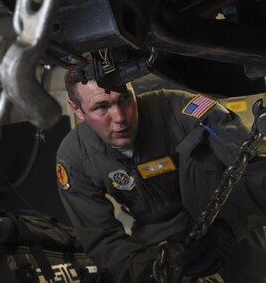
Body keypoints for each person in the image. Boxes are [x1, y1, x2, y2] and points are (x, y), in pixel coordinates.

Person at [55, 68, 266, 283]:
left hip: (230, 234)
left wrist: (229, 225)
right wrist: (148, 272)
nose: (120, 117)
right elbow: (102, 240)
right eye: (101, 107)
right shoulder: (75, 156)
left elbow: (259, 169)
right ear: (77, 110)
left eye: (125, 99)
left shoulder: (186, 111)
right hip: (160, 248)